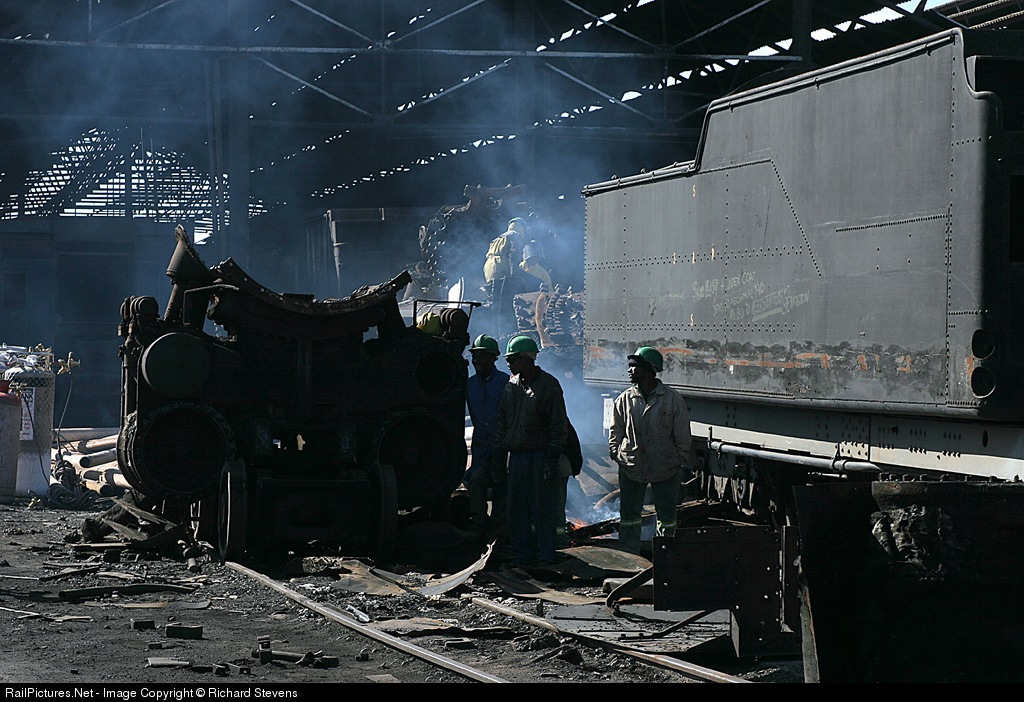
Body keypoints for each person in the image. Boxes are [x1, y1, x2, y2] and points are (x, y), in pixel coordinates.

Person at [492, 334, 570, 566]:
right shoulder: (511, 386)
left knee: (542, 509)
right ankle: (522, 555)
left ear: (527, 359)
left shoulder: (548, 386)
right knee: (517, 510)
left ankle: (546, 555)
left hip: (539, 456)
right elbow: (502, 424)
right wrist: (499, 459)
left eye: (512, 359)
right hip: (517, 458)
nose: (508, 363)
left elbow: (558, 427)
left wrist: (550, 462)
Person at [608, 346, 692, 555]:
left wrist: (678, 458)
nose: (630, 370)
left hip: (665, 467)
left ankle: (666, 555)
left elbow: (682, 433)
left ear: (649, 369)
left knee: (667, 517)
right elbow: (615, 431)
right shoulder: (624, 399)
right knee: (629, 517)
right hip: (631, 466)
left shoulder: (672, 399)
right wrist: (618, 455)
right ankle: (630, 555)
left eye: (635, 366)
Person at [464, 334, 510, 543]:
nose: (476, 361)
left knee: (502, 487)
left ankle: (498, 531)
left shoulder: (505, 383)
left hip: (503, 447)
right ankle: (479, 524)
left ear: (493, 357)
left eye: (481, 356)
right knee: (476, 482)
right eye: (474, 356)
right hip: (482, 448)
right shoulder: (470, 385)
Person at [483, 217, 529, 338]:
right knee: (505, 303)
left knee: (495, 303)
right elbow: (514, 255)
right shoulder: (515, 235)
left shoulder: (498, 238)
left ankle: (495, 332)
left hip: (490, 270)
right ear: (522, 228)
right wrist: (514, 276)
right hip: (502, 270)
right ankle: (504, 333)